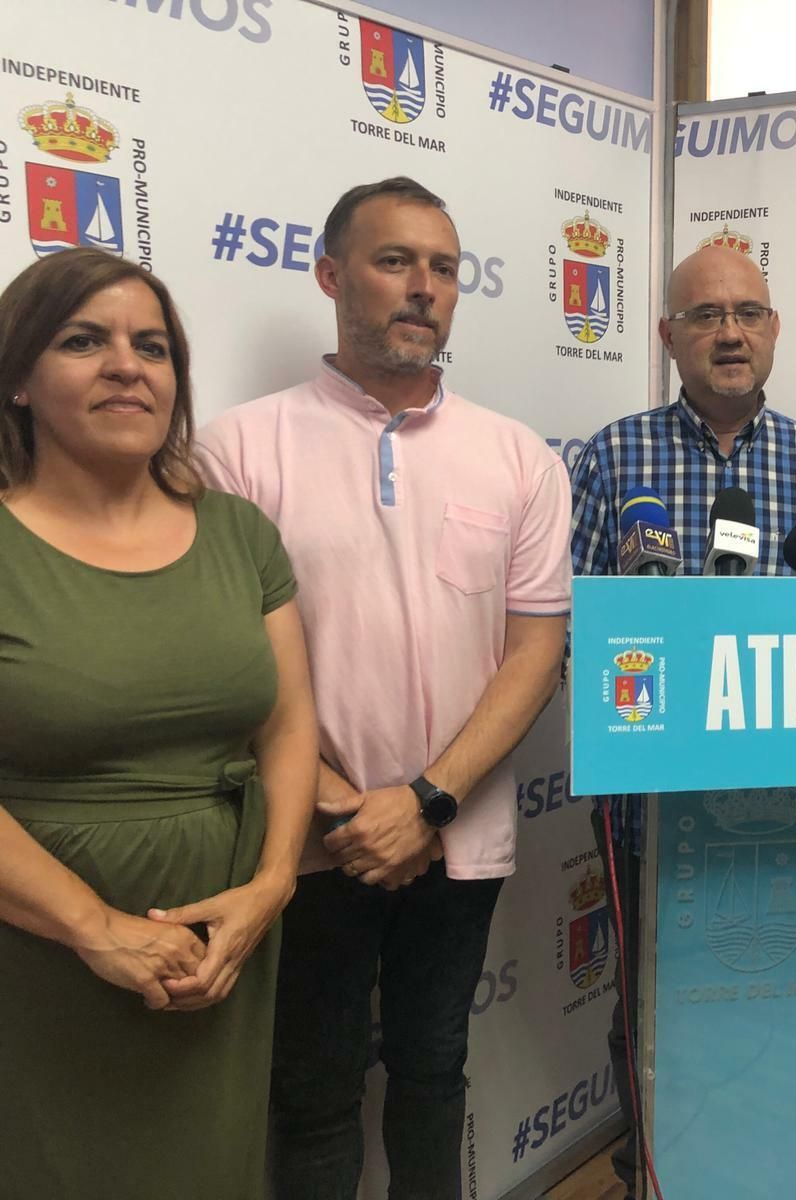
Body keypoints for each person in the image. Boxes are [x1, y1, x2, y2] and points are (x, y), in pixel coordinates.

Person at [197, 177, 571, 1200]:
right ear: (330, 274)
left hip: (457, 834)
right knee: (311, 1093)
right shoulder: (237, 447)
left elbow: (535, 652)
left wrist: (426, 802)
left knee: (432, 1074)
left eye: (443, 268)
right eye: (394, 261)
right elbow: (227, 656)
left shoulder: (520, 459)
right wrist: (345, 808)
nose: (423, 288)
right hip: (305, 840)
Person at [0, 247, 317, 1199]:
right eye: (82, 341)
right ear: (18, 379)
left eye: (152, 345)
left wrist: (271, 886)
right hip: (39, 953)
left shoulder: (239, 533)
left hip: (224, 953)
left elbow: (292, 724)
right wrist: (94, 927)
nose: (126, 366)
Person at [568, 241, 796, 1199]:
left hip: (792, 811)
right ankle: (649, 1176)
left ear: (774, 329)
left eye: (749, 313)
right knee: (649, 1007)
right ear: (667, 336)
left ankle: (773, 1171)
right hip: (654, 809)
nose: (729, 333)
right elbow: (572, 623)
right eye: (705, 315)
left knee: (781, 994)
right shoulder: (615, 454)